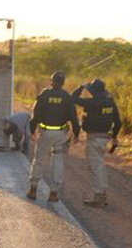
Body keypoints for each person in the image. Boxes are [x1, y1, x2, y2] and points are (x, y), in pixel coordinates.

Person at [28, 72, 80, 202]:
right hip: (60, 134)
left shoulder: (44, 95)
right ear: (63, 83)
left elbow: (35, 115)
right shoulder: (67, 97)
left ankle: (33, 189)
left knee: (39, 160)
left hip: (45, 133)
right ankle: (54, 193)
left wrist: (32, 131)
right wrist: (76, 134)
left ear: (51, 81)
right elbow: (74, 118)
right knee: (58, 162)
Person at [72, 78, 122, 208]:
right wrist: (114, 136)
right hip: (104, 138)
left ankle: (99, 196)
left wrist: (81, 87)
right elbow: (118, 122)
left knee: (95, 167)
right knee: (99, 165)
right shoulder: (111, 102)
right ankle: (102, 194)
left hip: (94, 138)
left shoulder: (91, 103)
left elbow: (73, 98)